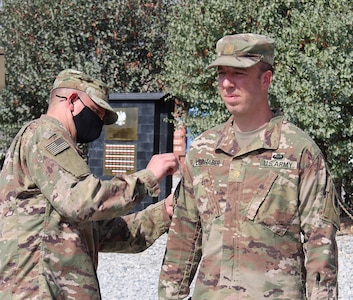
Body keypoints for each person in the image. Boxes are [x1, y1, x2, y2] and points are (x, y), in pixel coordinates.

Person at [158, 33, 340, 299]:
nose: (227, 83)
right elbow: (184, 235)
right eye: (222, 73)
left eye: (239, 73)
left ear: (265, 79)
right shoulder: (203, 149)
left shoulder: (298, 151)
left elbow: (320, 245)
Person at [0, 69, 178, 299]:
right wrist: (147, 177)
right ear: (73, 100)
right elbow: (81, 201)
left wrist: (164, 211)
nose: (99, 123)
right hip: (40, 290)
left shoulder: (58, 155)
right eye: (96, 112)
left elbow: (101, 231)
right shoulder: (45, 135)